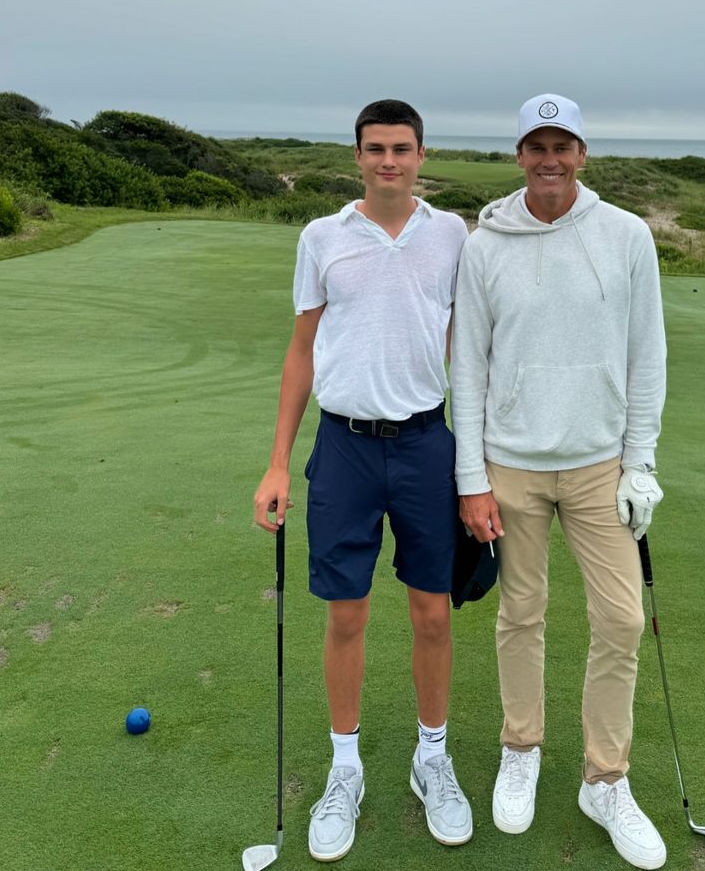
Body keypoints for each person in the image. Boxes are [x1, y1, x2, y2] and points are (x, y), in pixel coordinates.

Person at [451, 93, 668, 871]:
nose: (550, 158)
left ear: (582, 153)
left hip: (598, 463)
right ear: (519, 156)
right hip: (510, 463)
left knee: (622, 621)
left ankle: (605, 780)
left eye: (563, 145)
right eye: (536, 146)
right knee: (521, 613)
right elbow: (468, 366)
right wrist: (471, 478)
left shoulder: (626, 235)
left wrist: (640, 462)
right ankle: (522, 747)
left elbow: (649, 355)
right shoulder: (486, 243)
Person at [253, 99, 472, 861]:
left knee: (433, 613)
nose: (389, 161)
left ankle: (431, 757)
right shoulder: (323, 238)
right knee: (346, 615)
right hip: (342, 448)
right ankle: (344, 770)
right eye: (375, 148)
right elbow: (300, 352)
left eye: (402, 148)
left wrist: (473, 467)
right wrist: (279, 461)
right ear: (357, 157)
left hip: (424, 445)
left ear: (421, 154)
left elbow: (464, 352)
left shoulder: (451, 235)